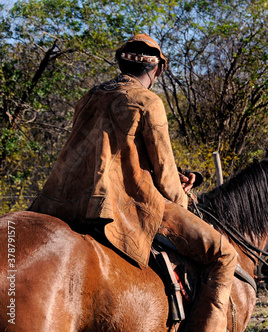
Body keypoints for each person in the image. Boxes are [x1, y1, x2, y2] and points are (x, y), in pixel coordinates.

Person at [28, 33, 237, 332]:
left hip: (59, 201)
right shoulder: (148, 100)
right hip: (116, 207)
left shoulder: (89, 97)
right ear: (158, 70)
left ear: (121, 63)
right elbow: (165, 175)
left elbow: (106, 153)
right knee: (223, 255)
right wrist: (182, 201)